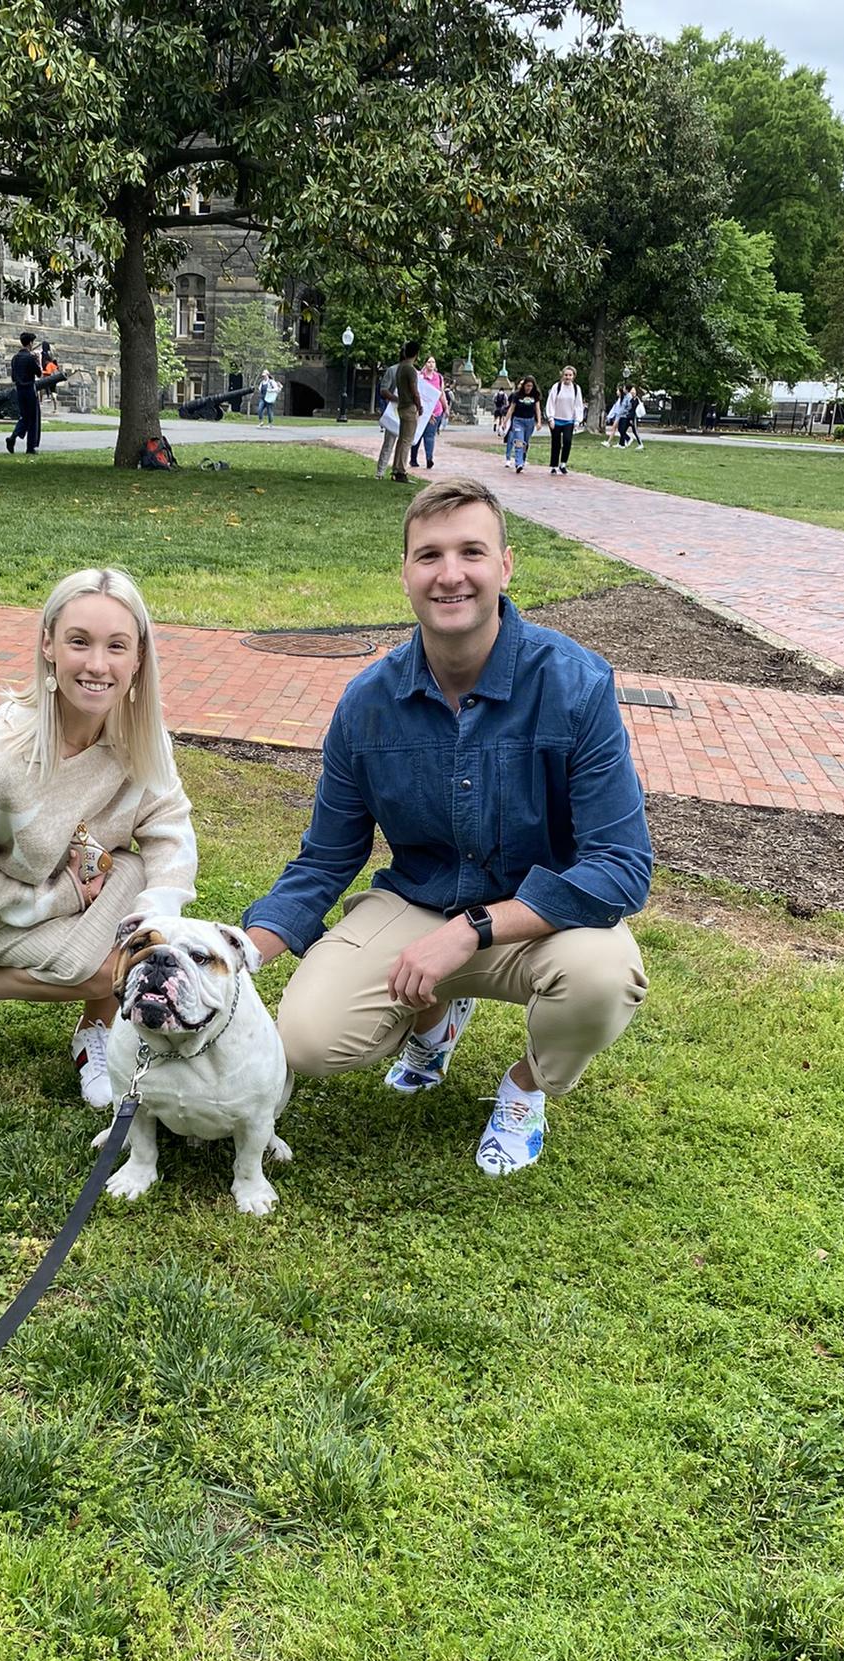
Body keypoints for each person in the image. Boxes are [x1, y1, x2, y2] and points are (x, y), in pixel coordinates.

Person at [242, 476, 651, 1177]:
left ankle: (525, 1089)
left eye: (472, 552)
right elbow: (325, 860)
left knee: (604, 977)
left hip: (541, 922)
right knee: (306, 1039)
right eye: (429, 555)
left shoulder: (576, 685)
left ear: (505, 566)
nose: (451, 574)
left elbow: (620, 864)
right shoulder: (367, 704)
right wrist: (233, 955)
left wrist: (469, 931)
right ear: (405, 572)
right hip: (417, 905)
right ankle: (430, 1026)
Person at [0, 568, 197, 1108]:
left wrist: (161, 912)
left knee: (138, 922)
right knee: (110, 971)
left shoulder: (139, 735)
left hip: (79, 878)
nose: (97, 665)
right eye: (79, 642)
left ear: (138, 658)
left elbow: (169, 827)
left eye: (117, 646)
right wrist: (57, 898)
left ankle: (96, 1032)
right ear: (48, 645)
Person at [376, 340, 423, 482]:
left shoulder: (400, 368)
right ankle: (400, 471)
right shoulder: (410, 369)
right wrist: (419, 406)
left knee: (401, 440)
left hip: (401, 407)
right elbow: (414, 391)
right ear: (416, 354)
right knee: (406, 440)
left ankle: (396, 469)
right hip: (409, 407)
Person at [6, 330, 44, 455]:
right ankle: (30, 447)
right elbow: (39, 373)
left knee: (24, 417)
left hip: (19, 391)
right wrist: (38, 360)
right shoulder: (30, 358)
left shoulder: (15, 358)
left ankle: (13, 437)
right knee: (32, 419)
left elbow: (13, 377)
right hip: (29, 390)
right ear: (30, 343)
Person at [545, 365, 585, 474]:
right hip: (556, 419)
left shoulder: (576, 389)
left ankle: (563, 463)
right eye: (566, 375)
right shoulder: (556, 387)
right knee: (556, 443)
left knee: (567, 441)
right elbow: (551, 402)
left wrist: (577, 420)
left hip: (569, 420)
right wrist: (550, 418)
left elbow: (578, 405)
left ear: (573, 376)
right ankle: (553, 465)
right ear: (562, 375)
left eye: (570, 375)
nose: (568, 377)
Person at [411, 354, 448, 470]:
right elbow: (418, 394)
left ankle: (429, 458)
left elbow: (441, 394)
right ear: (425, 364)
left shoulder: (439, 378)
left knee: (430, 435)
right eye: (429, 362)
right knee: (418, 434)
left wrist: (446, 407)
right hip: (422, 410)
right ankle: (413, 459)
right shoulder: (419, 376)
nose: (431, 364)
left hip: (436, 410)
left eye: (433, 362)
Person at [505, 376, 540, 471]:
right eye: (527, 386)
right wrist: (505, 422)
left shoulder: (535, 395)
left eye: (531, 386)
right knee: (519, 441)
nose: (529, 388)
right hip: (518, 421)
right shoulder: (517, 395)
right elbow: (511, 409)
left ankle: (523, 459)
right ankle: (518, 463)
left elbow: (537, 409)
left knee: (525, 442)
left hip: (529, 421)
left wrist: (539, 422)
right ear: (524, 386)